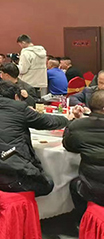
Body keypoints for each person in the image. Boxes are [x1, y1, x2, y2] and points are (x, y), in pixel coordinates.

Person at [0, 81, 69, 196]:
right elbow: (48, 122)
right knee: (48, 184)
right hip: (13, 171)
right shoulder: (19, 108)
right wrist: (67, 119)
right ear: (16, 96)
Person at [63, 91, 104, 223]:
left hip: (92, 188)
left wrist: (73, 121)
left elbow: (69, 146)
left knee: (75, 184)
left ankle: (83, 222)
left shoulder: (78, 126)